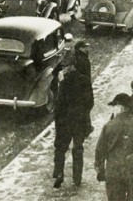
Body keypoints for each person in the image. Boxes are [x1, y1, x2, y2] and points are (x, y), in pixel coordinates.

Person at [95, 93, 133, 200]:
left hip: (114, 171)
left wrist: (100, 169)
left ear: (120, 107)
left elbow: (100, 150)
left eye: (114, 106)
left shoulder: (109, 126)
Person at [52, 59, 94, 188]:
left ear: (71, 67)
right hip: (80, 121)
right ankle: (77, 179)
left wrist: (57, 118)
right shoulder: (85, 80)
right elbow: (90, 102)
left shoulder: (64, 82)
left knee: (60, 148)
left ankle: (59, 173)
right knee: (78, 149)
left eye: (65, 67)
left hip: (64, 121)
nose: (63, 69)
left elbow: (58, 103)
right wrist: (83, 114)